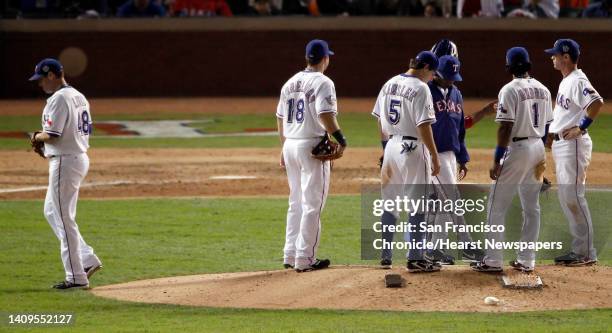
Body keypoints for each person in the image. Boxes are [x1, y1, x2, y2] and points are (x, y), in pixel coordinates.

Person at [471, 47, 553, 273]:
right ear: (529, 65)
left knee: (496, 205)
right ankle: (527, 260)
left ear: (508, 67)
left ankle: (493, 260)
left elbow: (506, 126)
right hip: (538, 148)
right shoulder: (544, 90)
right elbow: (547, 129)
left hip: (517, 149)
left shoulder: (509, 90)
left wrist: (497, 159)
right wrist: (540, 161)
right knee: (532, 207)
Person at [28, 59, 103, 289]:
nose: (40, 84)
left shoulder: (59, 98)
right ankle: (87, 259)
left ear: (51, 75)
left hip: (65, 162)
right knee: (51, 211)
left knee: (63, 217)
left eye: (41, 78)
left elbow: (52, 134)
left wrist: (36, 136)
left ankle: (76, 277)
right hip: (77, 158)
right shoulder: (78, 95)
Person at [276, 39, 347, 272]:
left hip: (291, 144)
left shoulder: (290, 82)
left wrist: (283, 147)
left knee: (295, 201)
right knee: (312, 204)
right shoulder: (323, 82)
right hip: (311, 148)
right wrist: (340, 139)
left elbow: (280, 117)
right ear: (325, 58)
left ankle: (290, 253)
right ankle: (305, 258)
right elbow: (325, 114)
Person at [373, 51, 441, 273]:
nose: (432, 78)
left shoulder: (389, 82)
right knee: (418, 204)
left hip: (392, 146)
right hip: (413, 148)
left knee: (389, 202)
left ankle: (385, 256)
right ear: (426, 68)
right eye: (432, 73)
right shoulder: (421, 88)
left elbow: (381, 123)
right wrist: (434, 154)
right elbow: (424, 126)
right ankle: (415, 258)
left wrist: (386, 150)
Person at [545, 39, 604, 266]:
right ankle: (581, 249)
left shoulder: (578, 80)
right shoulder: (566, 81)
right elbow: (564, 114)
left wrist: (581, 127)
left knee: (574, 197)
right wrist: (552, 136)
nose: (552, 57)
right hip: (562, 145)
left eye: (555, 54)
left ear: (566, 57)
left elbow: (596, 102)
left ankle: (586, 251)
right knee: (567, 197)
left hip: (573, 145)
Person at [423, 55, 487, 265]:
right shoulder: (426, 92)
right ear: (437, 73)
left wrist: (463, 157)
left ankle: (434, 249)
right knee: (452, 200)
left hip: (450, 155)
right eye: (449, 76)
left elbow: (459, 129)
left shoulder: (456, 94)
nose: (452, 80)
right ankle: (466, 245)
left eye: (454, 77)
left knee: (444, 203)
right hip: (433, 154)